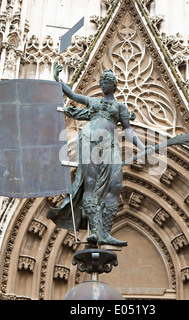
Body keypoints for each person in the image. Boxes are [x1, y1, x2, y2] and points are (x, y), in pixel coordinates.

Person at [47, 63, 151, 247]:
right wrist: (58, 80)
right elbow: (72, 95)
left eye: (106, 82)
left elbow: (128, 131)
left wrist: (143, 148)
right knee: (90, 186)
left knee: (116, 185)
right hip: (90, 141)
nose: (103, 85)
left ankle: (104, 232)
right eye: (101, 82)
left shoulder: (120, 107)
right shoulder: (93, 102)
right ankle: (96, 231)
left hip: (110, 146)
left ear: (113, 85)